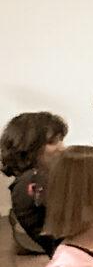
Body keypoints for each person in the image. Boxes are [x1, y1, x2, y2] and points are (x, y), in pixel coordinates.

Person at [3, 108, 66, 255]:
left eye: (61, 140)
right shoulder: (29, 182)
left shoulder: (36, 178)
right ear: (29, 146)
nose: (62, 148)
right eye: (52, 142)